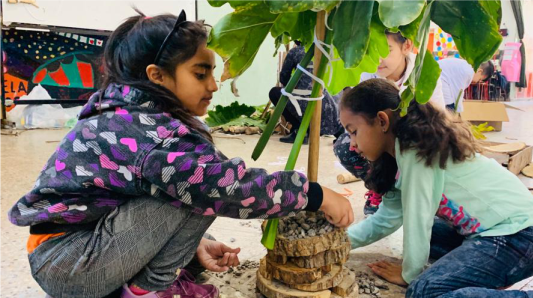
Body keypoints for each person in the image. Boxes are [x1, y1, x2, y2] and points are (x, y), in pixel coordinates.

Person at [8, 11, 354, 298]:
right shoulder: (152, 137)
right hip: (74, 266)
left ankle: (146, 279)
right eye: (200, 74)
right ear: (157, 77)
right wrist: (314, 195)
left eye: (213, 74)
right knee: (205, 183)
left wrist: (196, 246)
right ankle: (146, 291)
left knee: (192, 181)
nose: (214, 85)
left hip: (68, 255)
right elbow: (227, 187)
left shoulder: (129, 113)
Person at [339, 78, 533, 298]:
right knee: (423, 242)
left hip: (523, 237)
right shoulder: (395, 158)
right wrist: (337, 243)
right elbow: (385, 220)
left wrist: (410, 275)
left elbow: (418, 218)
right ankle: (478, 274)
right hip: (491, 233)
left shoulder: (415, 152)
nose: (351, 144)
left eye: (353, 131)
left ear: (382, 121)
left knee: (423, 291)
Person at [334, 31, 445, 215]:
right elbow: (357, 120)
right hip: (380, 139)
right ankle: (380, 188)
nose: (377, 58)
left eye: (386, 49)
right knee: (345, 147)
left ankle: (408, 189)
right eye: (372, 49)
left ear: (406, 46)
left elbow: (436, 120)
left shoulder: (425, 72)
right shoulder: (366, 72)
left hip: (413, 138)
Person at [268, 41, 342, 144]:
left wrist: (297, 83)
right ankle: (341, 132)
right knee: (336, 90)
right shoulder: (328, 50)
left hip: (302, 102)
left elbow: (284, 78)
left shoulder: (295, 51)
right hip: (329, 104)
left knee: (274, 92)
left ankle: (299, 130)